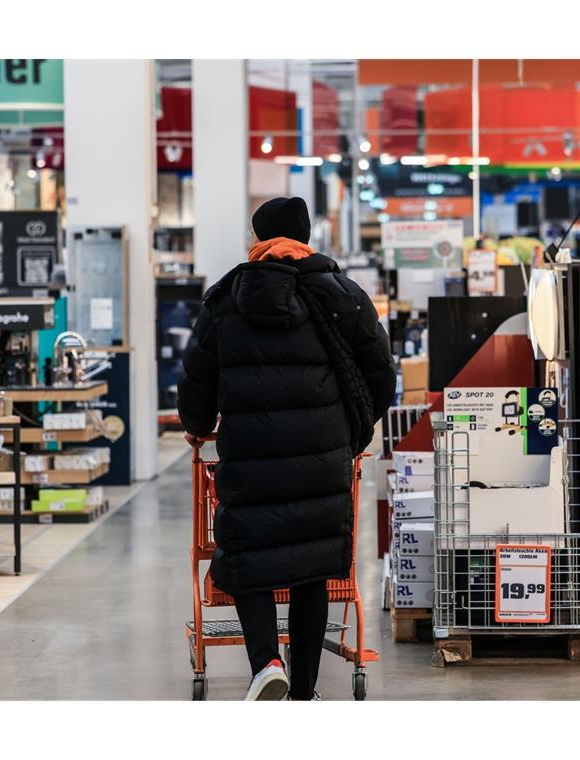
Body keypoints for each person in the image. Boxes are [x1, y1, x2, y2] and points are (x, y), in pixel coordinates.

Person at [177, 197, 396, 700]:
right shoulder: (342, 294)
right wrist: (351, 433)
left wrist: (197, 425)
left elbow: (197, 379)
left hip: (249, 457)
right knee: (311, 570)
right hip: (322, 459)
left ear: (257, 238)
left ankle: (266, 664)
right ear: (305, 234)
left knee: (248, 561)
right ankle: (304, 692)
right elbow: (382, 375)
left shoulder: (226, 297)